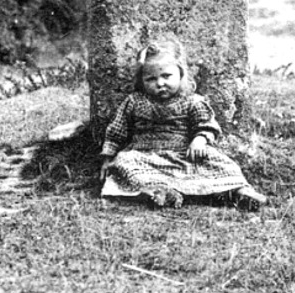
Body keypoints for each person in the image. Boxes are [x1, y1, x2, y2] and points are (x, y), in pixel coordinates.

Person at [100, 37, 266, 208]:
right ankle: (161, 192)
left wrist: (200, 139)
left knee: (223, 163)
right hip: (144, 155)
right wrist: (107, 157)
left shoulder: (192, 101)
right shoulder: (134, 101)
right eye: (151, 79)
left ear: (181, 73)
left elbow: (206, 125)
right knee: (124, 162)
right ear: (141, 80)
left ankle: (238, 191)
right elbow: (117, 131)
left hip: (184, 155)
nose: (160, 83)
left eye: (167, 76)